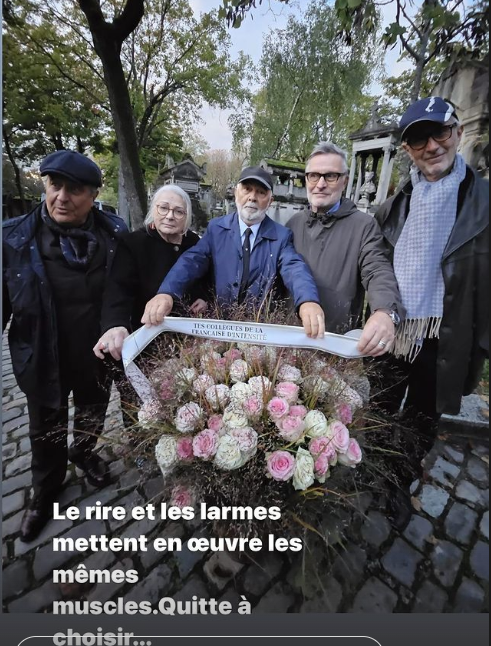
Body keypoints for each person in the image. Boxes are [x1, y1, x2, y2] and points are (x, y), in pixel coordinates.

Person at [2, 150, 127, 542]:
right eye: (55, 186)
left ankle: (85, 452)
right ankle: (45, 490)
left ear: (92, 195)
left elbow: (124, 290)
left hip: (95, 352)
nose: (62, 197)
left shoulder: (115, 235)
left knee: (92, 411)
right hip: (42, 353)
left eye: (75, 189)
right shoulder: (14, 237)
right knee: (44, 428)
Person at [375, 96, 489, 527]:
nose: (431, 146)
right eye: (418, 139)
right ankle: (375, 470)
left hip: (445, 333)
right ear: (407, 149)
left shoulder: (483, 201)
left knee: (421, 418)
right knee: (381, 408)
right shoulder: (393, 205)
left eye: (439, 132)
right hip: (394, 328)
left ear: (458, 133)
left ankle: (398, 483)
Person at [142, 166, 325, 337]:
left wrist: (307, 300)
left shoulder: (281, 236)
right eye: (247, 189)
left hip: (259, 333)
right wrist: (167, 292)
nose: (252, 197)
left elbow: (294, 268)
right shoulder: (216, 229)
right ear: (236, 192)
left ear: (270, 201)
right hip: (218, 329)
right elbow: (192, 261)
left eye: (261, 193)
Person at [93, 185, 208, 422]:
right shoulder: (133, 243)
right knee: (141, 409)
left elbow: (207, 275)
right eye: (164, 208)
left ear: (187, 217)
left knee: (183, 402)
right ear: (153, 210)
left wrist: (205, 296)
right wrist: (115, 323)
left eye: (178, 211)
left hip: (183, 343)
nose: (170, 215)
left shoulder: (194, 242)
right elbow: (118, 290)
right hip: (144, 340)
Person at [287, 142, 403, 356]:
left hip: (336, 344)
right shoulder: (293, 224)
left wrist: (385, 311)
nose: (320, 184)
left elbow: (377, 270)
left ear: (344, 181)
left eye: (330, 176)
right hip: (291, 341)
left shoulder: (363, 226)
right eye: (313, 175)